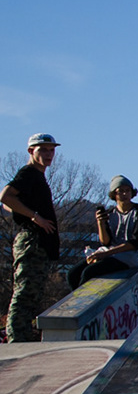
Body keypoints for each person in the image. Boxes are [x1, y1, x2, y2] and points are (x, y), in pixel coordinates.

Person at [2, 134, 62, 343]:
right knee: (26, 290)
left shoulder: (38, 177)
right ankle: (17, 338)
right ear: (31, 151)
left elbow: (8, 205)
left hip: (39, 243)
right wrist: (35, 217)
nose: (48, 155)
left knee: (33, 292)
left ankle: (23, 334)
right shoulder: (28, 173)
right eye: (43, 150)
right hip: (32, 241)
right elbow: (5, 196)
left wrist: (23, 211)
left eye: (51, 150)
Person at [68, 175, 138, 290]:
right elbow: (106, 242)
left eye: (128, 191)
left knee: (89, 272)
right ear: (114, 194)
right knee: (73, 273)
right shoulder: (111, 213)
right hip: (109, 252)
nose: (125, 194)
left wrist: (105, 254)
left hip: (127, 256)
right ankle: (75, 302)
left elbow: (136, 242)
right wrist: (101, 223)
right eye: (121, 191)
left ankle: (86, 303)